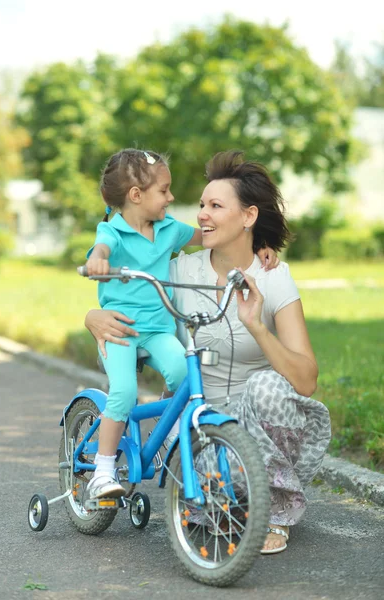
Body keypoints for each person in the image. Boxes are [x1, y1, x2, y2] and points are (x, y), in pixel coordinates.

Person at [85, 150, 331, 554]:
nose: (201, 214)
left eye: (215, 206)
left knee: (267, 386)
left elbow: (305, 380)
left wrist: (256, 325)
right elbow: (130, 290)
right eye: (201, 204)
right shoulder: (180, 272)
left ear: (248, 216)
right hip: (200, 425)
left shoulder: (273, 277)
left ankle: (277, 512)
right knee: (214, 496)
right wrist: (93, 316)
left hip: (260, 424)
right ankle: (221, 496)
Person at [84, 148, 277, 502]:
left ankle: (170, 433)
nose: (171, 198)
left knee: (185, 375)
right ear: (136, 196)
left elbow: (210, 234)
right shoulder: (112, 231)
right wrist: (98, 261)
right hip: (120, 330)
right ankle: (103, 469)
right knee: (124, 393)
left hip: (157, 330)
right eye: (164, 190)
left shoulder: (169, 229)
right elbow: (101, 249)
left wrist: (260, 244)